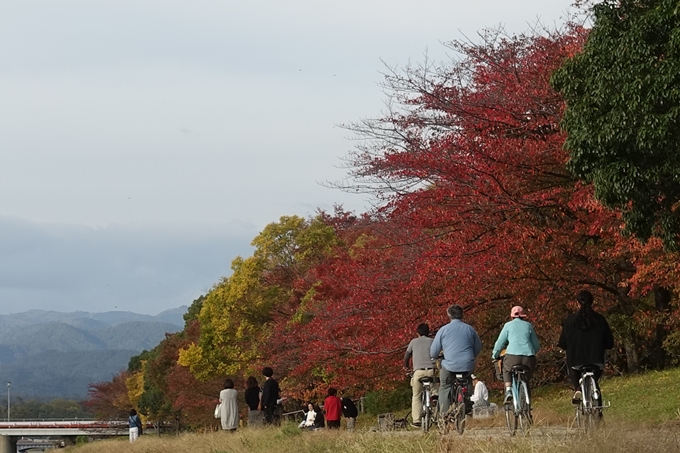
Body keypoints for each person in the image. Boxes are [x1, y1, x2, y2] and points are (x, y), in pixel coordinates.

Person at [557, 290, 614, 405]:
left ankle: (577, 388)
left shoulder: (570, 321)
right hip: (596, 359)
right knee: (596, 374)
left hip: (576, 360)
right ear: (592, 302)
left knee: (571, 366)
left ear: (577, 302)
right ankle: (595, 389)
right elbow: (609, 342)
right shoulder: (600, 319)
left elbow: (563, 343)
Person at [430, 304, 482, 415]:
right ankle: (466, 400)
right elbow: (478, 347)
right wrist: (471, 356)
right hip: (467, 365)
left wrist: (436, 357)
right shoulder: (470, 329)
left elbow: (433, 351)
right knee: (467, 379)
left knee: (445, 386)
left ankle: (443, 415)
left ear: (449, 315)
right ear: (462, 314)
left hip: (449, 365)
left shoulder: (443, 330)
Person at [492, 305, 541, 404]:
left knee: (506, 369)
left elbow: (499, 343)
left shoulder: (508, 325)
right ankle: (526, 396)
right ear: (523, 316)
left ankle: (509, 390)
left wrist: (495, 355)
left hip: (512, 356)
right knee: (526, 376)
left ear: (511, 317)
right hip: (528, 357)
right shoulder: (528, 325)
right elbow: (536, 345)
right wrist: (532, 353)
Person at [404, 323, 437, 426]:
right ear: (428, 332)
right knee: (435, 385)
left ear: (417, 333)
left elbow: (406, 356)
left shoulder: (413, 342)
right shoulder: (432, 341)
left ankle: (416, 420)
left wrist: (406, 367)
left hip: (418, 372)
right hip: (431, 370)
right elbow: (438, 354)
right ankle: (435, 396)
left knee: (417, 395)